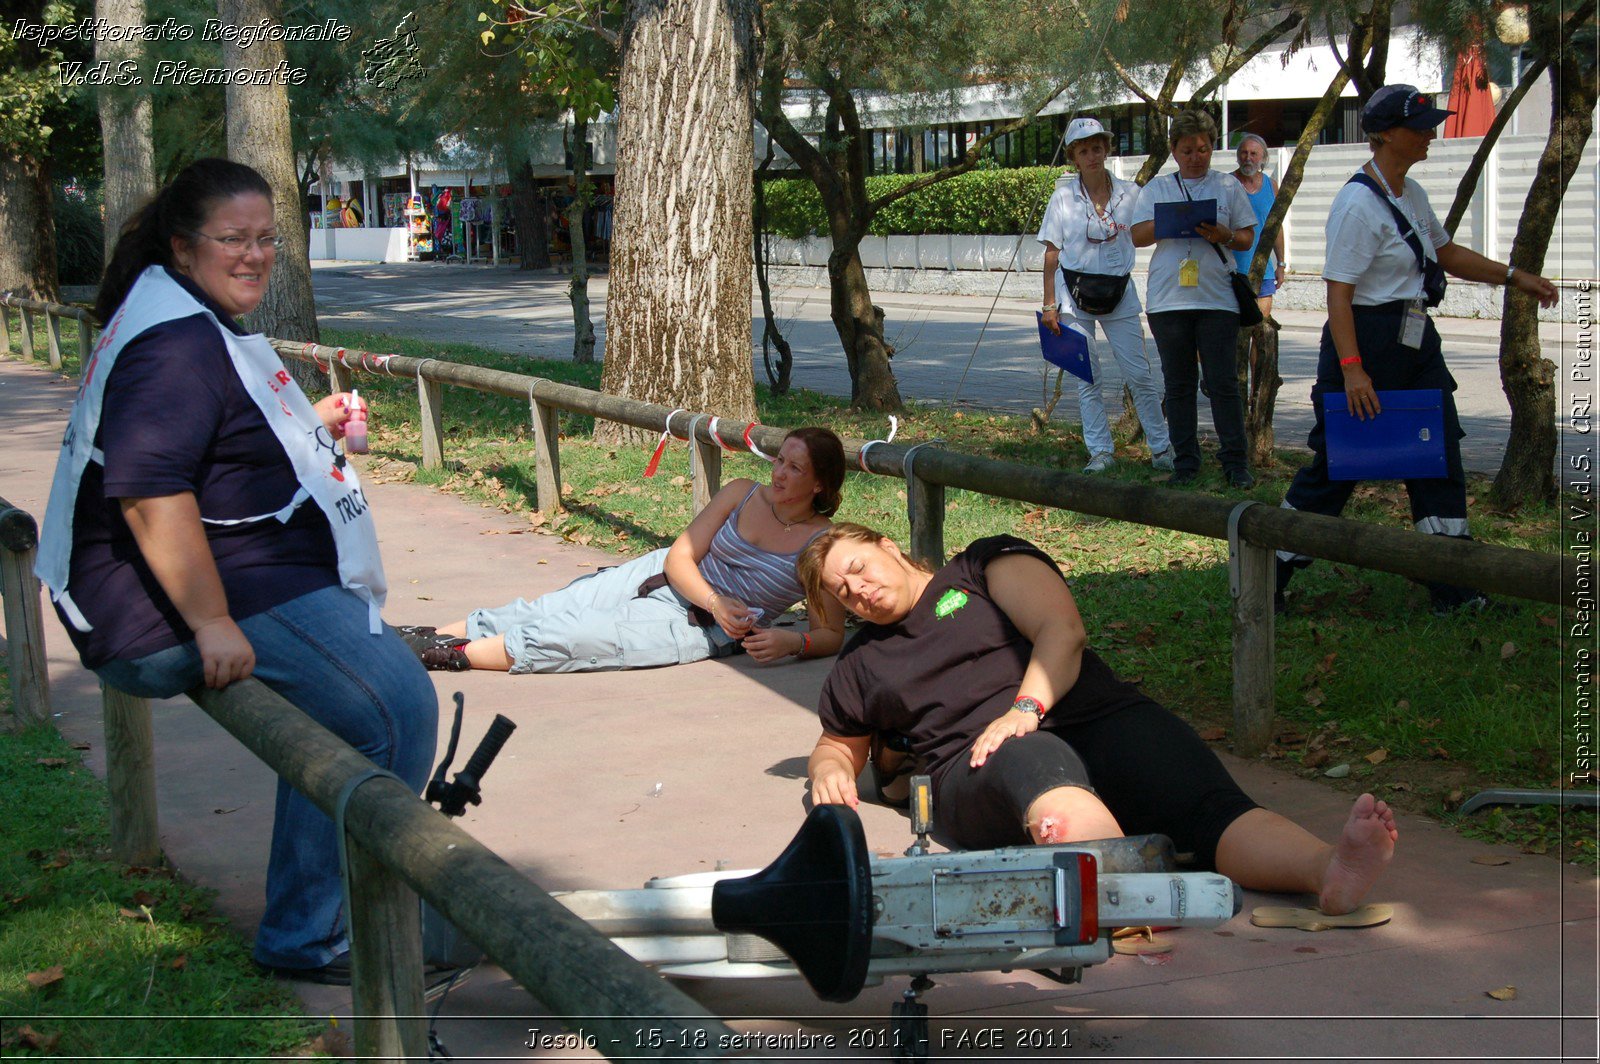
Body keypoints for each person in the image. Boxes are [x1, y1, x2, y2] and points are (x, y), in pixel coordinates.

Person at [35, 158, 438, 984]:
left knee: (370, 701)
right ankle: (314, 934)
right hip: (176, 607)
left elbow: (211, 439)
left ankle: (318, 918)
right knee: (392, 709)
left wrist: (310, 422)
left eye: (266, 240)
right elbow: (150, 492)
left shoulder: (181, 310)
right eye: (233, 240)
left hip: (244, 565)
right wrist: (211, 622)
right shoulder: (178, 344)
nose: (254, 255)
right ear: (184, 247)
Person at [798, 524, 1398, 916]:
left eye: (859, 566)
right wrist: (828, 771)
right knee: (1031, 760)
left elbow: (1062, 631)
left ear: (887, 545)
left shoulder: (981, 566)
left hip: (1086, 710)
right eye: (841, 591)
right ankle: (1125, 897)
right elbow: (838, 743)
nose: (858, 589)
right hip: (979, 762)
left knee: (1195, 796)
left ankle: (1329, 869)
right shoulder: (861, 663)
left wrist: (1026, 708)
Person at [1275, 85, 1559, 615]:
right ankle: (1268, 573)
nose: (1431, 133)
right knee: (1339, 465)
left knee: (1439, 455)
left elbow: (1446, 252)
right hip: (1366, 341)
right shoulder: (1358, 204)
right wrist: (1354, 370)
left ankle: (1454, 587)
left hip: (1415, 341)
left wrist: (1516, 277)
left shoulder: (1410, 192)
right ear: (1384, 134)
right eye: (1421, 125)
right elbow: (1339, 293)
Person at [411, 427, 849, 673]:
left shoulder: (821, 545)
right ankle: (424, 635)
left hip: (694, 627)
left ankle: (450, 655)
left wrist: (793, 642)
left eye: (795, 468)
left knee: (573, 637)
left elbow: (829, 634)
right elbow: (680, 556)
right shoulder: (740, 492)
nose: (779, 473)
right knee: (550, 607)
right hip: (666, 575)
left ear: (819, 485)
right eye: (778, 461)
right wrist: (715, 599)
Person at [1038, 117, 1174, 475]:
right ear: (1074, 158)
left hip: (1119, 291)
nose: (1092, 155)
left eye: (1097, 147)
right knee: (1088, 379)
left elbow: (1150, 230)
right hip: (1074, 294)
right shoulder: (1063, 196)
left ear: (1106, 150)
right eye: (1083, 150)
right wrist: (1049, 303)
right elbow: (1052, 253)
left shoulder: (1132, 193)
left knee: (1140, 374)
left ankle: (1162, 450)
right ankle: (1100, 451)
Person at [1132, 109, 1258, 490]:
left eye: (1203, 149)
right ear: (1173, 150)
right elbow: (1138, 235)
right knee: (1179, 384)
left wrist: (1225, 235)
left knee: (1223, 383)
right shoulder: (1157, 189)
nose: (1195, 157)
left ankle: (1236, 464)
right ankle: (1185, 462)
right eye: (1187, 150)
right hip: (1169, 300)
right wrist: (1170, 222)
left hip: (1217, 298)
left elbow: (1247, 237)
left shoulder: (1228, 186)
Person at [1230, 133, 1288, 319]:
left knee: (1261, 329)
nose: (1248, 158)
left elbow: (1276, 227)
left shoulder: (1271, 186)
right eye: (1244, 153)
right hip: (1232, 271)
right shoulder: (1226, 184)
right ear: (1238, 156)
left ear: (1263, 158)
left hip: (1264, 270)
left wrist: (1280, 263)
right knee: (1233, 334)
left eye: (1254, 153)